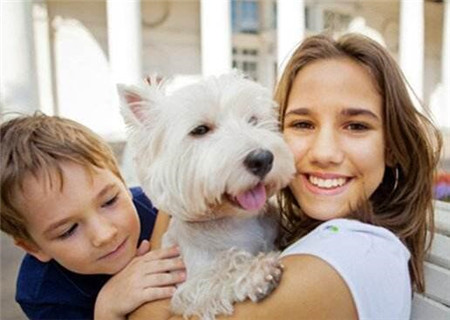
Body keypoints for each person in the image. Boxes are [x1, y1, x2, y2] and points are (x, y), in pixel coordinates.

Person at [129, 33, 442, 319]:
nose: (324, 152)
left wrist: (113, 307)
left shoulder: (357, 256)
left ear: (392, 146)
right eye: (302, 124)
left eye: (356, 126)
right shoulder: (297, 229)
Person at [0, 113, 186, 320]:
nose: (104, 235)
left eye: (109, 201)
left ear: (122, 182)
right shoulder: (45, 294)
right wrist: (107, 308)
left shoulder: (159, 206)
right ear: (33, 247)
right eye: (68, 230)